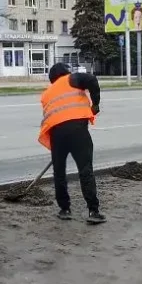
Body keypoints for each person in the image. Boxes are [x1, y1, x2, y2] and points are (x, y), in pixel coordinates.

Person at [39, 62, 105, 224]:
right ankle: (93, 211)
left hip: (57, 134)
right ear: (65, 72)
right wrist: (95, 103)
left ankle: (64, 209)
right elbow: (92, 80)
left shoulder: (46, 93)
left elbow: (53, 115)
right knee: (85, 170)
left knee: (59, 172)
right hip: (77, 131)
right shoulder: (71, 79)